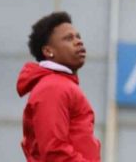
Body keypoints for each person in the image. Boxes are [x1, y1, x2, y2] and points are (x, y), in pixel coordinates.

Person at [16, 11, 101, 162]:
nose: (78, 42)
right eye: (69, 38)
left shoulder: (60, 84)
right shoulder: (53, 87)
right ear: (48, 51)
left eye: (78, 37)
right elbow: (54, 151)